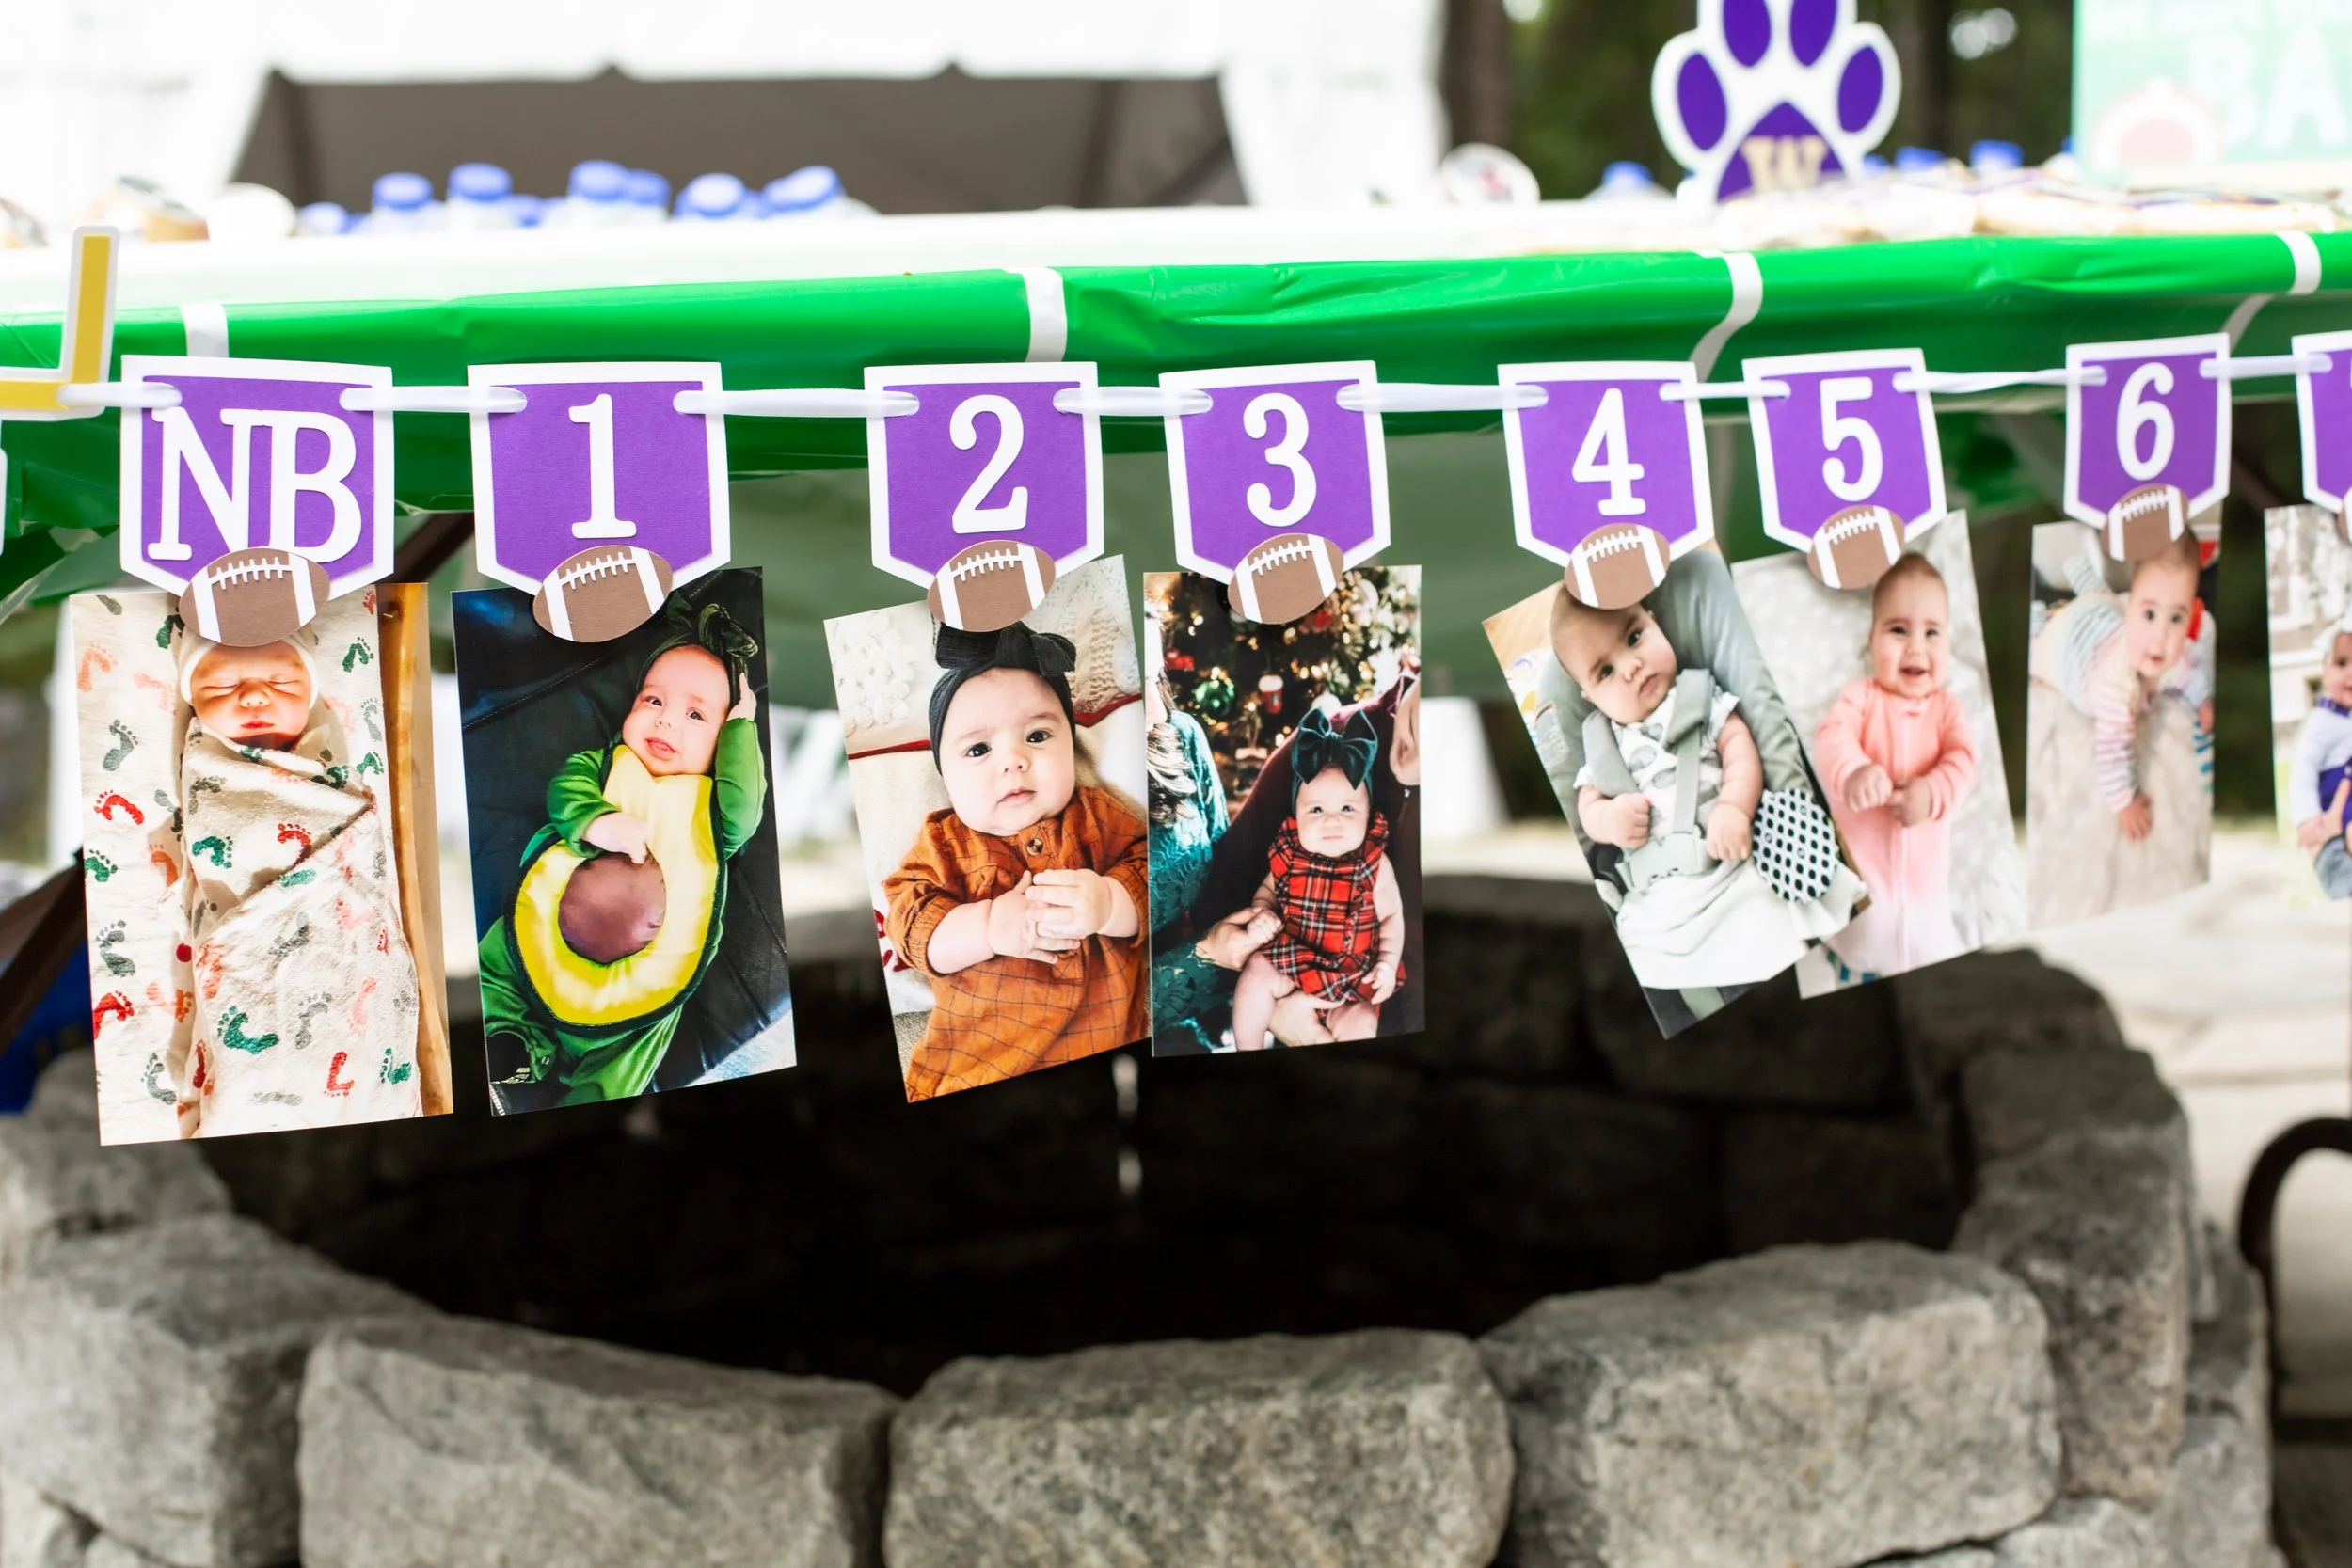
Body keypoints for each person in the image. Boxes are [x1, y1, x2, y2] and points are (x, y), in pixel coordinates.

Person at [477, 602, 767, 1107]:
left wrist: (744, 724)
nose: (666, 722)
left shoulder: (717, 815)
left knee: (630, 1058)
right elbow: (565, 791)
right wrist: (596, 821)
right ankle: (514, 1049)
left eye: (696, 714)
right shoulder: (604, 763)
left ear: (723, 743)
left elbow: (748, 807)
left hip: (642, 990)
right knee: (497, 965)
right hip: (538, 934)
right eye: (652, 701)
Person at [171, 626, 420, 1135]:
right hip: (251, 946)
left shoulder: (332, 766)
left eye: (282, 682)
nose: (255, 695)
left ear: (311, 693)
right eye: (221, 688)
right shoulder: (210, 768)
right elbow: (225, 838)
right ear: (192, 702)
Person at [1552, 589, 1862, 997]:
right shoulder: (1603, 744)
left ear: (1654, 621)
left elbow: (1739, 749)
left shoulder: (1700, 697)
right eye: (1605, 672)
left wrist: (1734, 807)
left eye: (1633, 638)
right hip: (1660, 892)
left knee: (1770, 914)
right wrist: (1609, 820)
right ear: (1588, 696)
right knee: (1644, 946)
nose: (1630, 667)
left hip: (1730, 861)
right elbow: (1587, 806)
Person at [885, 622, 1148, 1098]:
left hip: (1108, 1037)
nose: (1013, 760)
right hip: (978, 1065)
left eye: (1038, 736)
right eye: (979, 749)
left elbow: (1158, 872)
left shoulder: (1098, 815)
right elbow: (910, 926)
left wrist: (1111, 902)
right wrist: (986, 927)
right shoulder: (944, 843)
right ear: (947, 777)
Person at [1812, 554, 1979, 977]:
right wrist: (1853, 771)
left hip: (1928, 915)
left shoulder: (1946, 710)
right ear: (1871, 641)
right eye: (1898, 630)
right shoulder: (1862, 698)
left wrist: (1932, 791)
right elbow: (1832, 735)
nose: (1916, 646)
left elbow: (1963, 761)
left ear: (1949, 643)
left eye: (1932, 632)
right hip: (1862, 906)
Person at [1229, 708, 1403, 1047]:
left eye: (1348, 809)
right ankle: (1245, 1048)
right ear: (1296, 814)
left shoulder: (1373, 862)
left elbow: (1392, 915)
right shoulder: (1290, 853)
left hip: (1351, 974)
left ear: (1368, 815)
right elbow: (1267, 892)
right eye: (1317, 810)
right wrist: (1262, 913)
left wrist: (1388, 962)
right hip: (1293, 960)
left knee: (1363, 1020)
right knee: (1255, 975)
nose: (1332, 821)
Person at [2029, 532, 2214, 842]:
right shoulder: (2115, 689)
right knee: (2036, 653)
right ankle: (2038, 616)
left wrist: (2203, 699)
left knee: (2101, 599)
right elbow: (2111, 753)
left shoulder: (2168, 654)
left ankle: (2080, 571)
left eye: (2176, 618)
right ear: (2132, 607)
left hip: (2099, 617)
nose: (2160, 636)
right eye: (2150, 615)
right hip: (2068, 644)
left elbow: (2185, 673)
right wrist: (2124, 802)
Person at [2289, 612, 2352, 899]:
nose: (2351, 672)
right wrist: (2307, 817)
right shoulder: (2321, 721)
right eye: (2342, 663)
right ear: (2324, 672)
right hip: (2336, 803)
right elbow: (2303, 770)